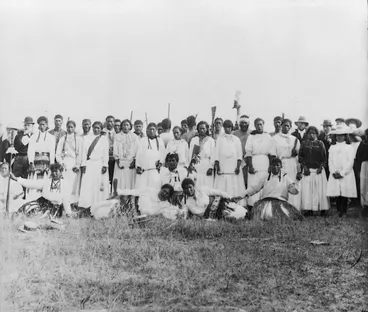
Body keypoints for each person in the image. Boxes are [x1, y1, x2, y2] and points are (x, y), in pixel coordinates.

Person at [326, 125, 356, 218]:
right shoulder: (332, 147)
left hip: (346, 173)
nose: (339, 137)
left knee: (344, 192)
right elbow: (330, 161)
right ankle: (338, 211)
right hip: (335, 172)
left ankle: (344, 211)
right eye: (337, 135)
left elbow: (350, 161)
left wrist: (343, 173)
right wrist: (333, 171)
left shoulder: (349, 147)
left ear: (345, 136)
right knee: (337, 192)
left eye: (341, 135)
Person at [181, 178, 246, 220]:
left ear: (193, 186)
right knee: (234, 218)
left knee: (243, 213)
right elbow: (198, 212)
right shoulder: (186, 201)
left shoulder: (202, 190)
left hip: (221, 206)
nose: (189, 190)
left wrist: (230, 197)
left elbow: (218, 192)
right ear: (183, 190)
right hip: (211, 215)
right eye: (186, 188)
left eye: (190, 187)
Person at [298, 126, 330, 216]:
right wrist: (304, 167)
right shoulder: (304, 143)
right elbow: (300, 157)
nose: (311, 135)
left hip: (318, 170)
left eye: (313, 133)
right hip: (308, 170)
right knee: (307, 190)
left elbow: (324, 157)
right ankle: (309, 209)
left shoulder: (320, 143)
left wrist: (321, 167)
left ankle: (323, 209)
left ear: (317, 134)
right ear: (307, 134)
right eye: (309, 133)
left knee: (320, 190)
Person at [245, 118, 276, 207]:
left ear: (263, 125)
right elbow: (248, 152)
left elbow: (271, 153)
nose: (259, 126)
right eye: (257, 124)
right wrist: (250, 166)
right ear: (254, 126)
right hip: (254, 161)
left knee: (264, 184)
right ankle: (252, 206)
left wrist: (270, 166)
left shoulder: (268, 137)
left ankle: (264, 206)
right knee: (253, 184)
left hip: (265, 162)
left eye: (261, 124)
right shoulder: (251, 137)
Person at [78, 121, 109, 208]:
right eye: (95, 127)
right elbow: (83, 152)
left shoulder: (103, 139)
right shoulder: (87, 138)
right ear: (92, 128)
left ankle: (98, 205)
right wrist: (83, 164)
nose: (96, 129)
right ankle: (86, 205)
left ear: (101, 129)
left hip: (99, 164)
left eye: (98, 128)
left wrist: (105, 165)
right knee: (88, 185)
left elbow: (105, 153)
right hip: (89, 164)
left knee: (98, 185)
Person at [273, 118, 301, 210]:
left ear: (290, 127)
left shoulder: (295, 139)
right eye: (284, 125)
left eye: (288, 126)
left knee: (292, 184)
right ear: (281, 126)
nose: (286, 127)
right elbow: (273, 154)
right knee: (281, 185)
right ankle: (281, 208)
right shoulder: (275, 138)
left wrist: (299, 170)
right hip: (281, 164)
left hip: (292, 163)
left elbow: (298, 156)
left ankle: (293, 208)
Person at [214, 120, 246, 197]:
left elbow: (239, 154)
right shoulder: (220, 138)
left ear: (231, 128)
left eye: (229, 127)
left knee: (234, 185)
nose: (227, 129)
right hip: (223, 166)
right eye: (225, 127)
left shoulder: (236, 139)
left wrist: (238, 166)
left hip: (233, 166)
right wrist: (218, 167)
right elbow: (217, 153)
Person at [56, 120, 83, 203]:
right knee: (65, 184)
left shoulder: (78, 139)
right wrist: (61, 163)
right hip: (65, 164)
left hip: (74, 163)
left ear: (74, 128)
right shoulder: (62, 139)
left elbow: (80, 153)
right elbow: (58, 153)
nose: (70, 129)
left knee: (74, 185)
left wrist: (77, 165)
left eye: (72, 127)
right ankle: (64, 203)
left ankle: (73, 203)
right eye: (68, 127)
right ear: (66, 127)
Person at [135, 122, 165, 190]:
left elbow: (163, 154)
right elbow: (139, 154)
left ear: (156, 130)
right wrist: (138, 166)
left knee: (155, 188)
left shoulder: (160, 141)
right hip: (145, 169)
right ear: (147, 130)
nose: (151, 131)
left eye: (153, 129)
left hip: (156, 169)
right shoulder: (143, 140)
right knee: (143, 188)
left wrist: (161, 163)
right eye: (150, 129)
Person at [27, 116, 56, 181]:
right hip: (36, 160)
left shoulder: (51, 137)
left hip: (46, 161)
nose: (42, 126)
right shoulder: (34, 136)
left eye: (43, 124)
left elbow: (52, 151)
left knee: (45, 179)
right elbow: (30, 150)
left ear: (47, 125)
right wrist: (31, 162)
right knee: (35, 179)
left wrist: (51, 163)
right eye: (40, 125)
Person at [113, 119, 138, 190]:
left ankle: (130, 199)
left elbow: (137, 149)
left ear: (130, 126)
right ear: (121, 126)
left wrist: (135, 161)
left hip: (131, 162)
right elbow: (115, 149)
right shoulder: (117, 136)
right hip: (120, 162)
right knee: (120, 180)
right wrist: (117, 160)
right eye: (124, 125)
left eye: (127, 125)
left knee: (130, 181)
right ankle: (119, 197)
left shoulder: (134, 136)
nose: (125, 127)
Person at [189, 121, 215, 189]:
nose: (202, 130)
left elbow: (213, 155)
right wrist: (191, 164)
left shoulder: (210, 140)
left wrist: (211, 167)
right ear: (198, 129)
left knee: (206, 185)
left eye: (203, 128)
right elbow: (190, 154)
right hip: (196, 165)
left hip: (206, 165)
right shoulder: (194, 140)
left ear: (206, 129)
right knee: (196, 184)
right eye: (200, 128)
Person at [13, 117, 34, 198]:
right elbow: (16, 147)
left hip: (29, 158)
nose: (26, 127)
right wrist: (21, 137)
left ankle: (25, 196)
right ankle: (16, 195)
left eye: (28, 125)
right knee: (16, 176)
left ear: (32, 126)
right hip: (19, 157)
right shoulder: (19, 135)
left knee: (26, 177)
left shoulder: (34, 135)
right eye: (25, 125)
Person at [233, 115, 252, 188]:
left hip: (249, 159)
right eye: (242, 123)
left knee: (249, 181)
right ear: (239, 124)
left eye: (245, 123)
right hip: (238, 160)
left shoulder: (252, 133)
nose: (244, 125)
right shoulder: (234, 133)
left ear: (248, 124)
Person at [356, 128, 368, 208]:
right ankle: (364, 203)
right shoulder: (362, 144)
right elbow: (358, 157)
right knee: (363, 184)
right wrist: (359, 170)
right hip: (364, 165)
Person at [103, 115, 116, 192]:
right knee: (105, 176)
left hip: (113, 158)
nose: (110, 123)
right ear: (106, 122)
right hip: (104, 157)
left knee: (112, 176)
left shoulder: (116, 133)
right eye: (108, 121)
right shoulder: (102, 132)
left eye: (111, 121)